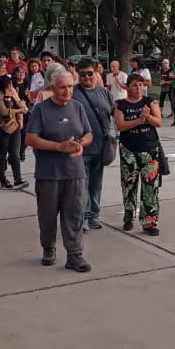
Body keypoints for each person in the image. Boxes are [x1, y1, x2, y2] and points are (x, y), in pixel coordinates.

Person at [25, 67, 94, 272]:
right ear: (52, 88)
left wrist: (81, 144)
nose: (67, 91)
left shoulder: (78, 107)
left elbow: (89, 133)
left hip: (74, 172)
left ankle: (74, 254)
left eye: (70, 87)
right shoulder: (41, 110)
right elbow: (30, 139)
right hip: (49, 173)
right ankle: (48, 247)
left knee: (74, 214)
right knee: (47, 215)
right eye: (62, 87)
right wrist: (58, 146)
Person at [114, 72, 163, 236]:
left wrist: (147, 116)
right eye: (135, 85)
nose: (138, 88)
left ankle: (150, 222)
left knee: (150, 187)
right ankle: (129, 217)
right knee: (129, 185)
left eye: (141, 85)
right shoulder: (121, 105)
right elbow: (120, 125)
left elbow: (159, 122)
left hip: (149, 150)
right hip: (129, 150)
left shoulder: (149, 102)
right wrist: (138, 120)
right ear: (128, 87)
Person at [73, 57, 114, 231]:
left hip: (101, 147)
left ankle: (94, 216)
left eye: (90, 73)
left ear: (96, 72)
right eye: (82, 74)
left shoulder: (104, 93)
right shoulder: (73, 93)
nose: (86, 77)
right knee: (82, 185)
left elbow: (114, 114)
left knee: (96, 185)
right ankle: (83, 218)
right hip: (81, 147)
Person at [0, 74, 29, 191]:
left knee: (15, 154)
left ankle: (18, 179)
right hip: (0, 129)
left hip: (14, 128)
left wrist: (18, 99)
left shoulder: (13, 96)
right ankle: (3, 181)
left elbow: (24, 107)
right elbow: (5, 112)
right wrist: (20, 110)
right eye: (9, 85)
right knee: (1, 156)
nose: (11, 87)